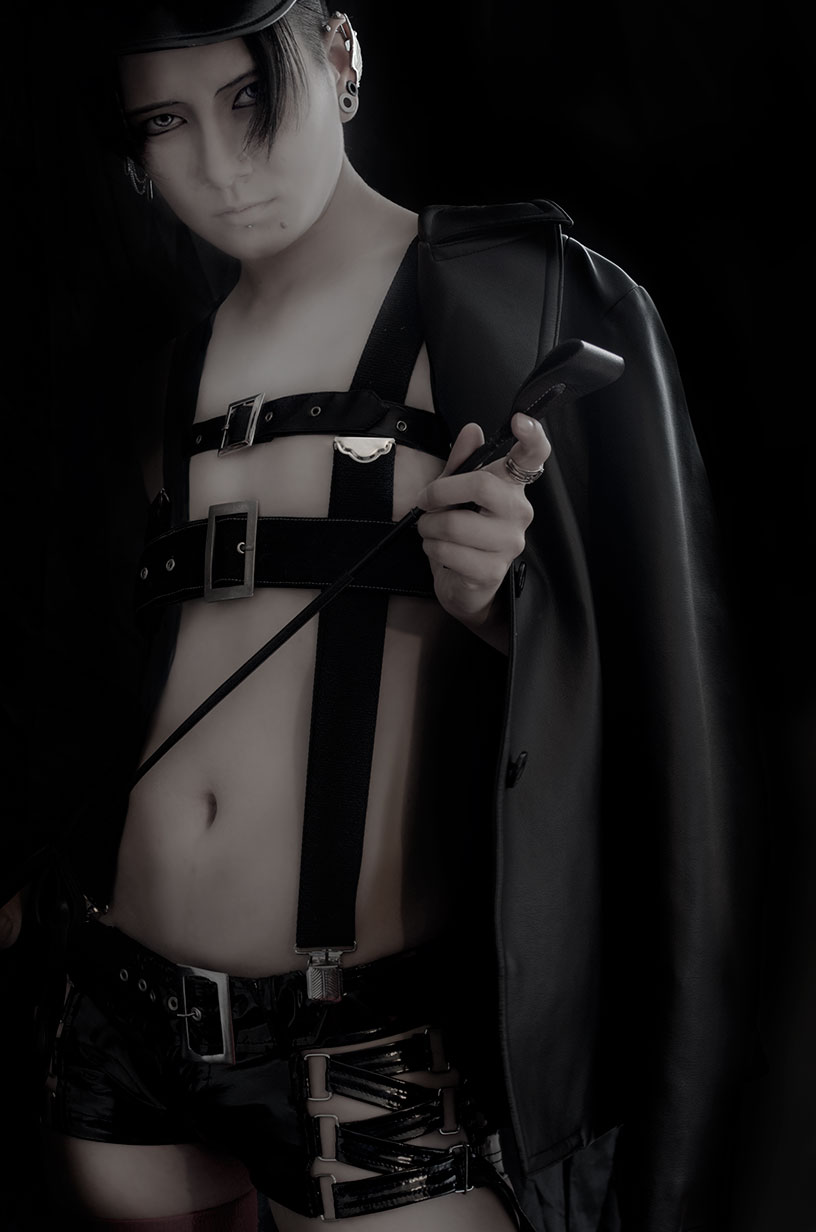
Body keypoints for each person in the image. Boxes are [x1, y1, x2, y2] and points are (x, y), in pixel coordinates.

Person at [6, 2, 758, 1230]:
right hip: (111, 1022)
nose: (221, 167)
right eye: (166, 123)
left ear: (342, 54)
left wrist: (507, 606)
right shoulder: (174, 360)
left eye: (251, 99)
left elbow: (663, 708)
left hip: (353, 1049)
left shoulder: (529, 302)